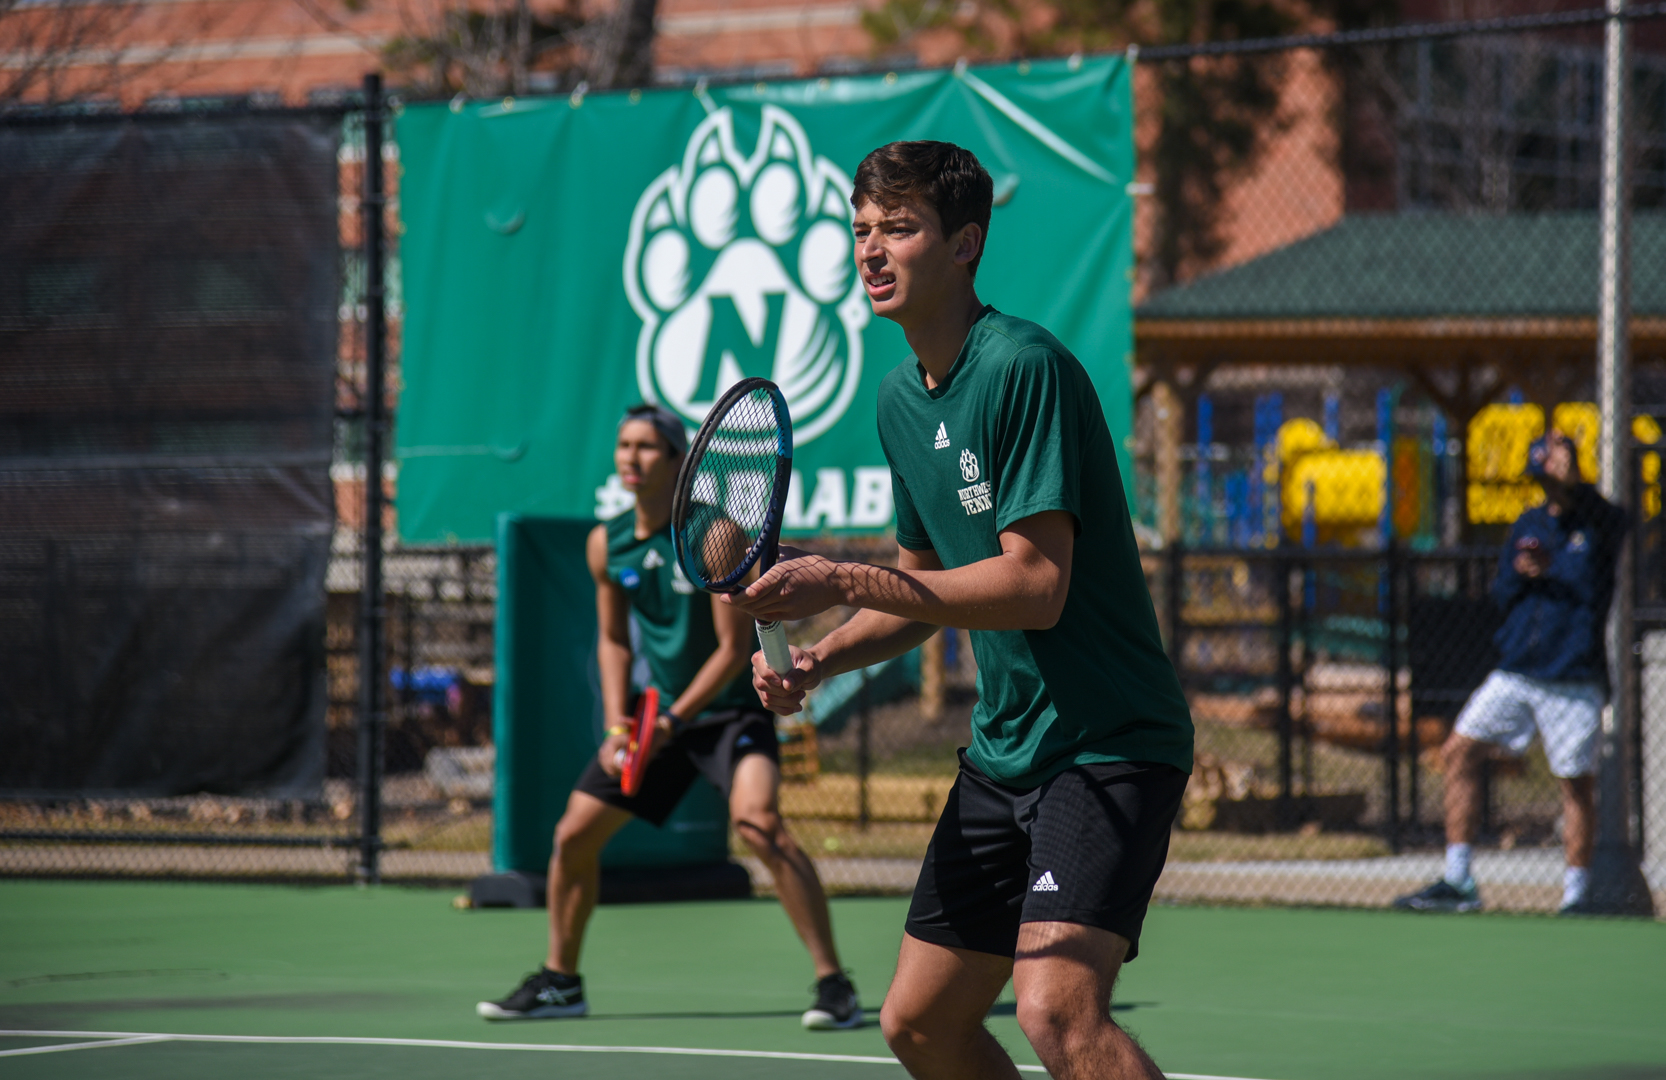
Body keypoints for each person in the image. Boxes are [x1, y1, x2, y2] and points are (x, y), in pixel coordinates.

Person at [728, 142, 1194, 1080]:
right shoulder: (899, 399)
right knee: (920, 1023)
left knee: (1057, 1012)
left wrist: (843, 579)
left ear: (966, 242)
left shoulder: (1025, 367)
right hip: (1002, 755)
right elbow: (919, 595)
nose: (872, 250)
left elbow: (1035, 585)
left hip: (1107, 743)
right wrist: (819, 661)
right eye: (861, 230)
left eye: (899, 228)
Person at [477, 404, 861, 1028]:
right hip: (657, 720)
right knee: (573, 835)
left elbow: (733, 650)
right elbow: (614, 642)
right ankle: (560, 982)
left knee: (759, 824)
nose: (631, 458)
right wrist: (618, 724)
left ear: (679, 461)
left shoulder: (715, 535)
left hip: (732, 713)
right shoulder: (607, 542)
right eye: (624, 446)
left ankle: (834, 983)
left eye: (647, 447)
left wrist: (674, 722)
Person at [1396, 429, 1626, 916]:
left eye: (1556, 469)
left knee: (1574, 782)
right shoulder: (1528, 524)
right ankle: (1458, 881)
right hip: (1517, 672)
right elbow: (1500, 593)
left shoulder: (1597, 524)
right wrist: (1523, 573)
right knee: (1458, 751)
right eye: (1542, 472)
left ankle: (1577, 896)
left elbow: (1614, 531)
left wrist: (1558, 562)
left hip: (1572, 677)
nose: (1549, 481)